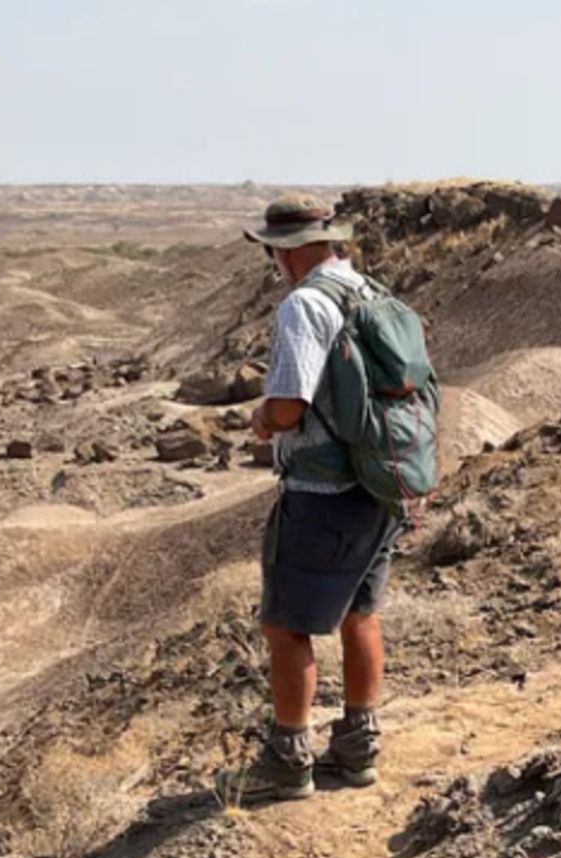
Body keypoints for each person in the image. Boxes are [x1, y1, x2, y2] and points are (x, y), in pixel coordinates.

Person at [230, 194, 404, 804]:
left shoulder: (305, 305)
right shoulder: (370, 291)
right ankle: (358, 749)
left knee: (285, 627)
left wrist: (262, 419)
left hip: (323, 491)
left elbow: (288, 406)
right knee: (360, 614)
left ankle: (288, 762)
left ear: (283, 252)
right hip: (381, 482)